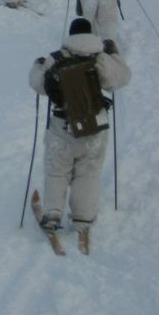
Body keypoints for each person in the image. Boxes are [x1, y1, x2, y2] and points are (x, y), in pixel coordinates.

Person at [29, 17, 130, 238]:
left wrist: (37, 66)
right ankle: (83, 217)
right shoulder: (100, 57)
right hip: (94, 124)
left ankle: (53, 213)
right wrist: (115, 54)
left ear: (71, 35)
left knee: (57, 169)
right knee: (88, 171)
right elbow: (122, 78)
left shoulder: (56, 58)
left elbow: (38, 84)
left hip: (62, 124)